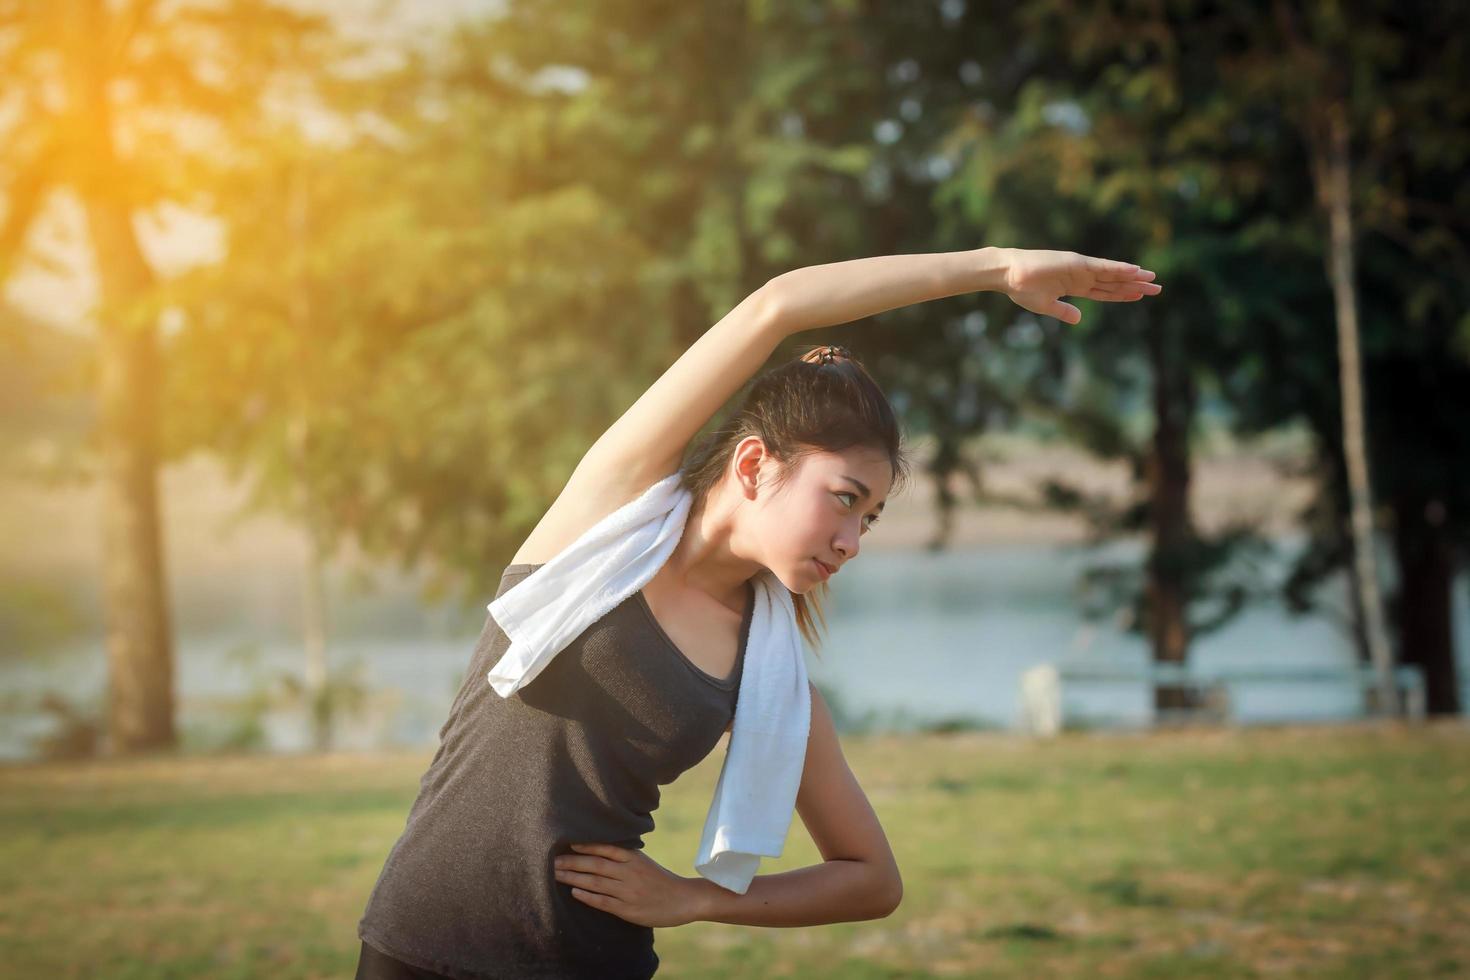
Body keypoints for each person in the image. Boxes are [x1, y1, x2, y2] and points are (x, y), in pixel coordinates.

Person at [354, 246, 1161, 979]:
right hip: (411, 946)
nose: (851, 540)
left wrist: (697, 898)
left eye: (869, 519)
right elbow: (777, 306)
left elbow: (872, 880)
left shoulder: (766, 671)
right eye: (843, 500)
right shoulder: (605, 521)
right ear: (752, 464)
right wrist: (993, 268)